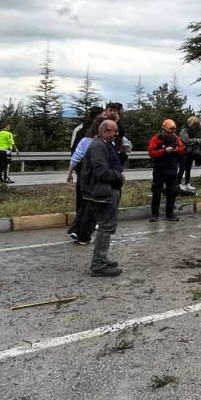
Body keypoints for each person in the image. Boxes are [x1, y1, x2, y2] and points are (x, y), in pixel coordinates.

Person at [80, 119, 125, 277]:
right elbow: (101, 172)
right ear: (105, 131)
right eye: (114, 131)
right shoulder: (98, 146)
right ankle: (98, 265)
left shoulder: (104, 144)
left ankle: (102, 259)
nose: (116, 134)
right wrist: (118, 176)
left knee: (106, 227)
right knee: (106, 227)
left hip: (103, 191)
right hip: (101, 192)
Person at [67, 113, 113, 245]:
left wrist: (70, 173)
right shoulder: (102, 143)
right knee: (93, 206)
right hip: (96, 178)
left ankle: (76, 230)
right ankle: (84, 235)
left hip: (83, 176)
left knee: (85, 205)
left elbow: (76, 157)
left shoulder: (85, 141)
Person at [147, 119, 185, 222]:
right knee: (156, 191)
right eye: (169, 132)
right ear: (163, 129)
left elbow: (182, 149)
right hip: (159, 169)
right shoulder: (156, 139)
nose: (170, 134)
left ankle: (170, 213)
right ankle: (154, 214)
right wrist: (164, 151)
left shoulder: (176, 138)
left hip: (172, 168)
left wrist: (176, 149)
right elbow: (151, 152)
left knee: (171, 192)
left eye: (172, 132)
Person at [177, 115, 201, 191]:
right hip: (183, 152)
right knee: (182, 168)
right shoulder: (184, 131)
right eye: (195, 125)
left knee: (188, 168)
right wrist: (196, 140)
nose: (195, 127)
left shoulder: (192, 131)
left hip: (190, 152)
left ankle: (187, 183)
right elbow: (185, 140)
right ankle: (178, 183)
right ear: (191, 124)